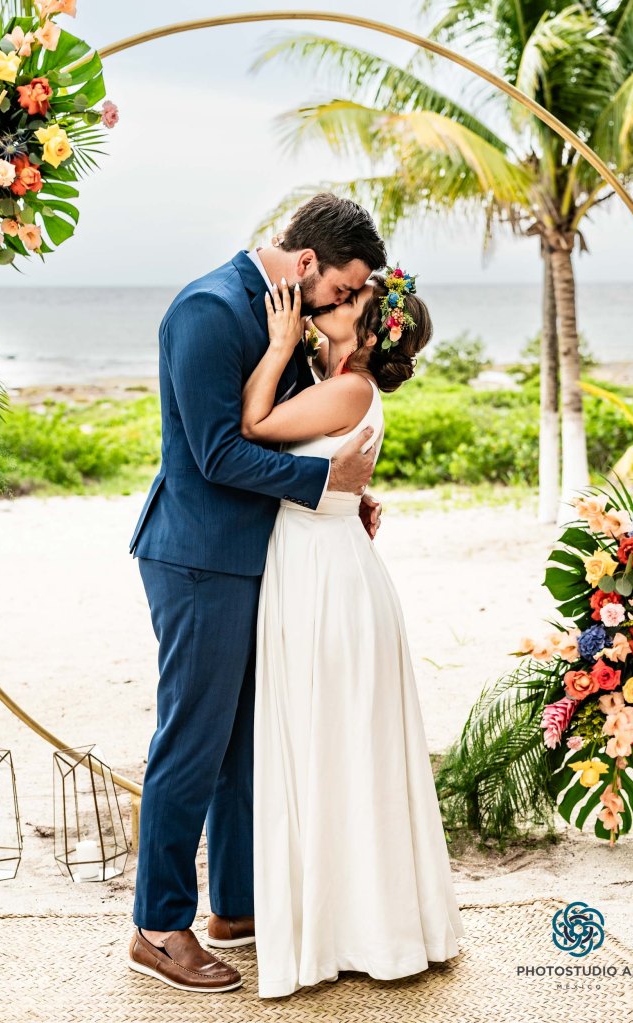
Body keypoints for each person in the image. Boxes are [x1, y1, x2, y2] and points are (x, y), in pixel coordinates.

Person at [127, 194, 387, 993]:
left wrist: (341, 496)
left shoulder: (282, 311)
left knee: (245, 741)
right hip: (200, 557)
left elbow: (291, 425)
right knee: (192, 740)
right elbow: (213, 454)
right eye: (342, 288)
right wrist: (322, 482)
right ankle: (157, 926)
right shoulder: (208, 310)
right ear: (306, 263)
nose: (346, 303)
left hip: (258, 553)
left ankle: (235, 906)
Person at [241, 268, 466, 998]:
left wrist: (278, 345)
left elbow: (253, 428)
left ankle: (353, 930)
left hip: (325, 575)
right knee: (336, 746)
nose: (336, 300)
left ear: (371, 332)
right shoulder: (334, 381)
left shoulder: (348, 388)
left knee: (334, 745)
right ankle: (353, 925)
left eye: (353, 299)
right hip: (324, 563)